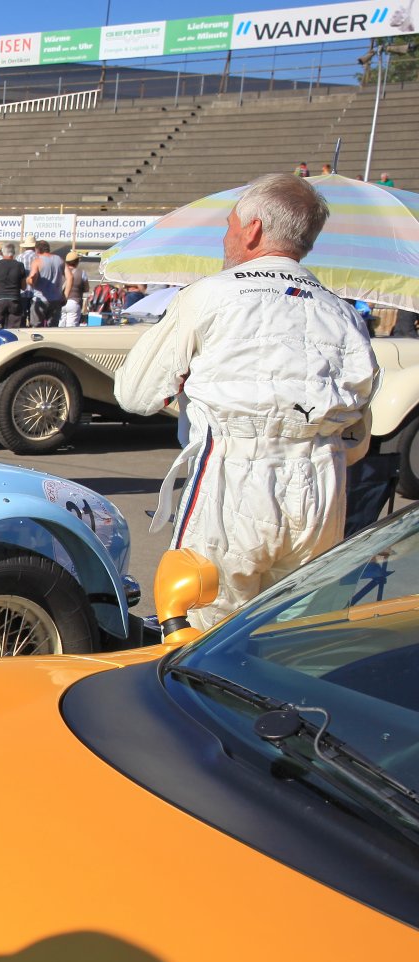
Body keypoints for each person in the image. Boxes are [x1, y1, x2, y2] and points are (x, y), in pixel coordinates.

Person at [115, 173, 377, 628]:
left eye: (230, 225)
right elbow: (358, 429)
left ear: (253, 230)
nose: (226, 236)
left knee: (205, 629)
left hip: (235, 474)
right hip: (323, 483)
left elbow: (135, 394)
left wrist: (190, 388)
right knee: (292, 632)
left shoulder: (208, 294)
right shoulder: (343, 313)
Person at [27, 239, 65, 327]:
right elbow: (70, 277)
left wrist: (28, 280)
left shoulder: (37, 261)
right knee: (53, 327)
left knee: (36, 328)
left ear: (37, 250)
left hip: (40, 299)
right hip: (56, 299)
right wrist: (64, 294)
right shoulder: (59, 259)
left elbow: (32, 280)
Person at [60, 250, 88, 327]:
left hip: (61, 301)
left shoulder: (60, 272)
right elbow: (86, 289)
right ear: (77, 262)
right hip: (74, 302)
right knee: (72, 327)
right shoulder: (82, 273)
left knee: (60, 326)